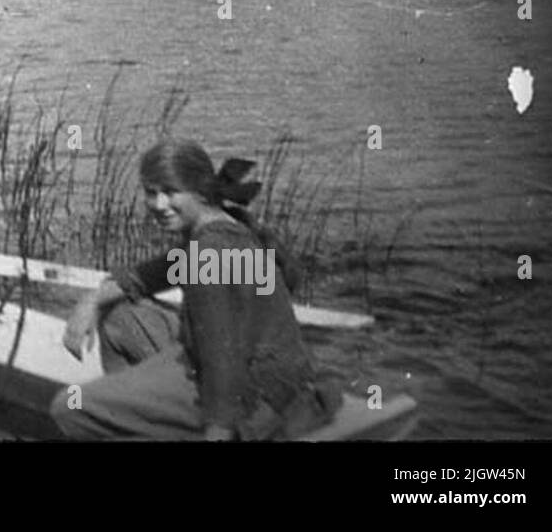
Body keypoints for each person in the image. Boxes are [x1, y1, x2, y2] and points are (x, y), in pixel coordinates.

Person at [52, 139, 340, 440]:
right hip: (275, 371)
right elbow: (146, 277)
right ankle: (147, 417)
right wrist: (91, 301)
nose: (159, 204)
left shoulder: (207, 253)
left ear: (200, 191)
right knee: (119, 318)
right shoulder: (224, 227)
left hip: (256, 392)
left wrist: (220, 428)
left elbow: (220, 356)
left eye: (171, 191)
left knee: (70, 409)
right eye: (152, 192)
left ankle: (147, 421)